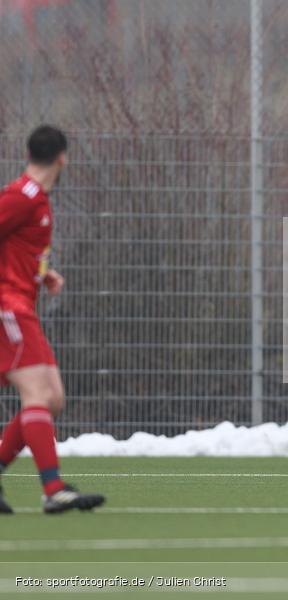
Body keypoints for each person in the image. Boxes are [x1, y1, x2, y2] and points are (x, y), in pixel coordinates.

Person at [0, 126, 105, 514]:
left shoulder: (36, 200)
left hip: (22, 306)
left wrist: (43, 274)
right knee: (37, 395)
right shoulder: (22, 197)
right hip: (8, 307)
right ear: (63, 156)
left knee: (52, 398)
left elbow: (16, 247)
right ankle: (53, 489)